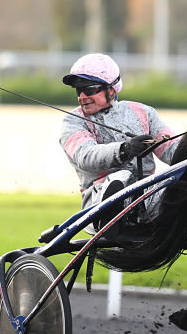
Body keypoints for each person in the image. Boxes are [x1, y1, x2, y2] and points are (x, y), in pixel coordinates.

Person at [59, 53, 179, 234]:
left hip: (148, 200)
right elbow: (85, 156)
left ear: (112, 90)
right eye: (78, 90)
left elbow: (173, 150)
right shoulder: (72, 122)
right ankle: (113, 227)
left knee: (182, 181)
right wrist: (125, 150)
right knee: (120, 177)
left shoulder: (144, 113)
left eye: (90, 89)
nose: (82, 96)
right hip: (97, 205)